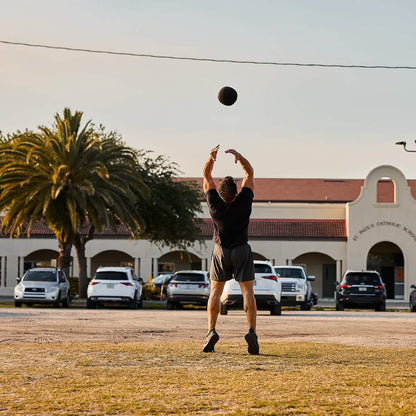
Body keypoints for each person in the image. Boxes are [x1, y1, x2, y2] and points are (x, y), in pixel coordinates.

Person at [202, 145, 259, 355]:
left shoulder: (214, 203)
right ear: (236, 192)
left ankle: (211, 331)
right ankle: (251, 332)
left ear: (220, 192)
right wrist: (240, 157)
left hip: (221, 251)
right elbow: (249, 173)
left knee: (215, 292)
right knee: (247, 292)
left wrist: (211, 158)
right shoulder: (244, 200)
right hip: (242, 249)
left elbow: (206, 174)